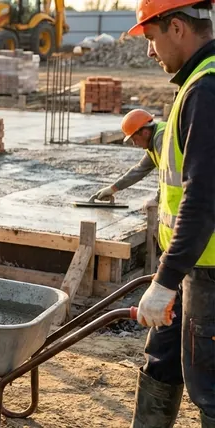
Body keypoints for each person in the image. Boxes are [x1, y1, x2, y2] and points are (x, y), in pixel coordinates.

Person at [125, 0, 215, 426]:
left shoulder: (206, 90)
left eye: (150, 37)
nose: (148, 51)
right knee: (162, 360)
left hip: (207, 273)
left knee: (209, 387)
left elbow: (203, 196)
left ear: (176, 27)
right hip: (187, 265)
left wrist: (164, 281)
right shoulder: (193, 85)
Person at [91, 109, 166, 211]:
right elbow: (139, 170)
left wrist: (157, 199)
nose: (135, 144)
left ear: (145, 132)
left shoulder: (162, 139)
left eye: (134, 139)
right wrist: (113, 188)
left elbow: (170, 173)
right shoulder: (153, 144)